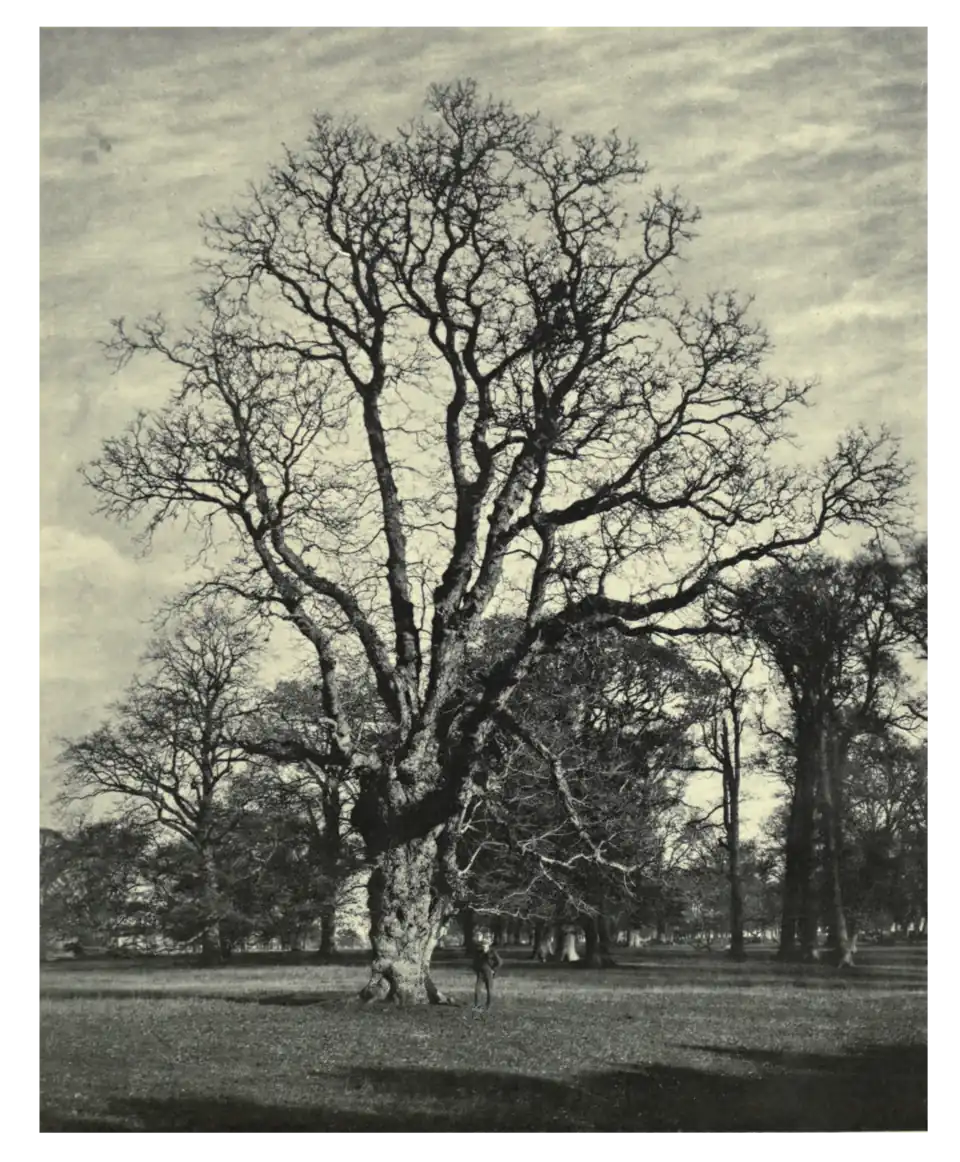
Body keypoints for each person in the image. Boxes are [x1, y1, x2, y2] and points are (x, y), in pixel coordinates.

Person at [471, 936, 502, 1011]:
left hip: (488, 973)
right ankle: (477, 1006)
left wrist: (494, 970)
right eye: (482, 945)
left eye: (485, 945)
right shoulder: (478, 952)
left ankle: (488, 1006)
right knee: (477, 990)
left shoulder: (492, 952)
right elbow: (475, 962)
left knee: (489, 990)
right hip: (480, 973)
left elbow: (499, 962)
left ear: (488, 945)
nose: (484, 946)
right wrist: (475, 969)